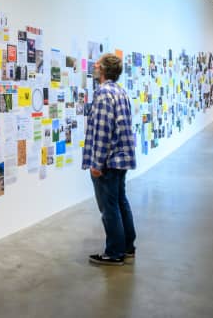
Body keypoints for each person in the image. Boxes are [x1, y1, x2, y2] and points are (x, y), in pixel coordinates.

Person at [82, 53, 137, 266]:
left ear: (103, 70)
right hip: (121, 159)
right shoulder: (120, 92)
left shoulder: (103, 93)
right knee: (120, 201)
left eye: (97, 63)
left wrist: (97, 164)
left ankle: (114, 252)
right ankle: (127, 247)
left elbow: (103, 131)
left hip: (109, 161)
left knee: (109, 206)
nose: (94, 65)